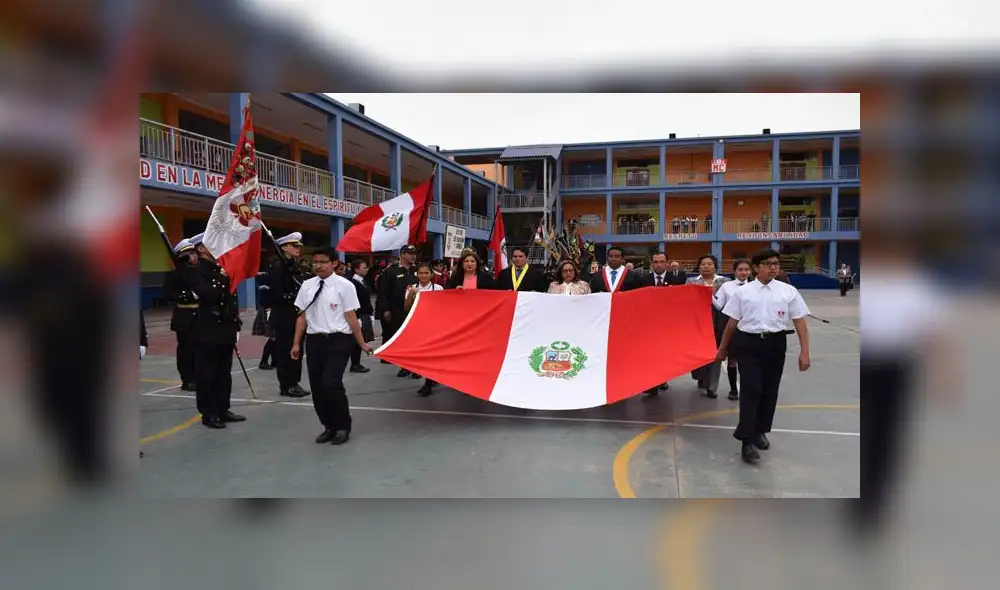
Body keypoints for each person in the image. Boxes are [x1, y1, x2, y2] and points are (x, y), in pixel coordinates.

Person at [716, 248, 811, 463]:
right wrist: (723, 349)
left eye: (776, 264)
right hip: (748, 343)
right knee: (751, 390)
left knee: (770, 391)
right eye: (768, 264)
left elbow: (799, 322)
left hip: (776, 344)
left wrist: (805, 352)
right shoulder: (743, 292)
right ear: (756, 268)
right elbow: (731, 323)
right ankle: (746, 440)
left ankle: (760, 430)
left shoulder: (788, 291)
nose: (773, 267)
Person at [290, 246, 373, 445]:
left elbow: (351, 316)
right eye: (315, 262)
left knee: (331, 383)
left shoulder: (345, 286)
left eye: (323, 262)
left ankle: (343, 425)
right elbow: (301, 316)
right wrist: (296, 343)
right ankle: (328, 426)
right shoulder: (307, 285)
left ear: (334, 263)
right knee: (317, 387)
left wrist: (361, 342)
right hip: (315, 340)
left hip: (339, 340)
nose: (318, 266)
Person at [186, 232, 246, 430]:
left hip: (225, 327)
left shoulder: (223, 269)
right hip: (207, 328)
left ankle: (223, 408)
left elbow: (231, 299)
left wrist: (235, 322)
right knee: (207, 373)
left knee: (223, 372)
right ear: (201, 249)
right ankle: (209, 413)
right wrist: (221, 277)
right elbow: (209, 294)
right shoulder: (196, 271)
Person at [268, 232, 312, 398]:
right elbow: (276, 295)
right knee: (286, 350)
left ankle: (294, 382)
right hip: (284, 315)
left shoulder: (296, 267)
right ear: (284, 247)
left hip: (297, 314)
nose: (298, 249)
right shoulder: (278, 268)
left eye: (299, 246)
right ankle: (286, 384)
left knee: (297, 349)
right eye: (295, 246)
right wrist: (296, 298)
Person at [687, 254, 731, 398]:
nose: (706, 266)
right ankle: (701, 376)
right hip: (697, 320)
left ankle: (712, 387)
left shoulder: (725, 282)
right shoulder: (691, 281)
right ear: (699, 267)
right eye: (703, 264)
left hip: (719, 319)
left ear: (715, 266)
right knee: (698, 352)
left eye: (709, 264)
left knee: (715, 353)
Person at [163, 238, 200, 390]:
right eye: (190, 253)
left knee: (201, 349)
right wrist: (189, 295)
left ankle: (199, 376)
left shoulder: (200, 272)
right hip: (184, 316)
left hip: (201, 315)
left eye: (195, 253)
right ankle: (187, 379)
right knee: (186, 350)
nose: (195, 256)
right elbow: (170, 294)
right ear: (182, 256)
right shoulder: (174, 275)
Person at [377, 245, 420, 377]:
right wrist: (385, 310)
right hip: (397, 310)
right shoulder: (391, 272)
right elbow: (383, 292)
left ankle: (417, 368)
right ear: (402, 254)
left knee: (416, 340)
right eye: (410, 253)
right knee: (402, 339)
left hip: (416, 310)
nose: (413, 256)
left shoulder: (418, 270)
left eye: (415, 253)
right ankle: (405, 366)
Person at [713, 259, 753, 400]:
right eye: (740, 270)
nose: (743, 273)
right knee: (732, 361)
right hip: (732, 327)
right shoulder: (726, 286)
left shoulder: (755, 286)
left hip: (750, 328)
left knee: (748, 361)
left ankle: (749, 389)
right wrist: (708, 294)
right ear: (734, 271)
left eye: (746, 270)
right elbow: (719, 305)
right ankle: (733, 390)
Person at [405, 262, 445, 396]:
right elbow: (406, 308)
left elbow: (443, 308)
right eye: (421, 273)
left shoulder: (438, 288)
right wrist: (411, 295)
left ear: (432, 274)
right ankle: (429, 377)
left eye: (426, 273)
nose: (423, 275)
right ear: (417, 274)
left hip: (434, 325)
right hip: (417, 324)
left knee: (432, 354)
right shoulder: (412, 288)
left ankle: (428, 383)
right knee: (421, 354)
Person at [348, 259, 374, 373]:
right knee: (356, 341)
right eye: (364, 267)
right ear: (356, 269)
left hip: (365, 313)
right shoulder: (353, 284)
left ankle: (356, 363)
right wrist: (357, 317)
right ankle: (355, 364)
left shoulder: (363, 281)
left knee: (361, 339)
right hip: (359, 314)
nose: (366, 269)